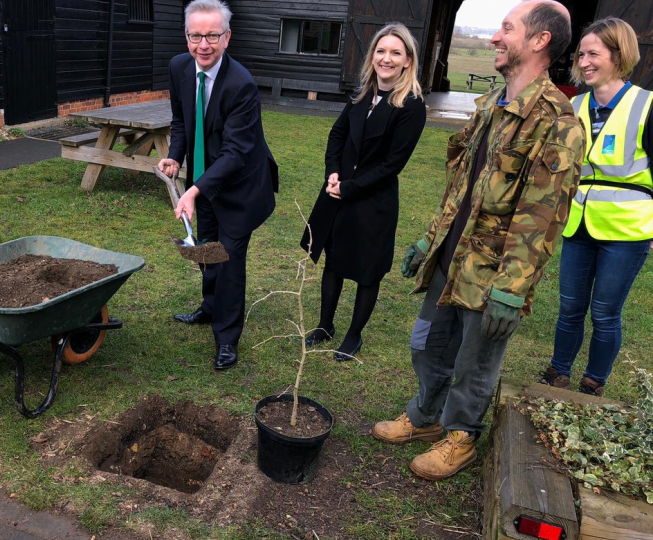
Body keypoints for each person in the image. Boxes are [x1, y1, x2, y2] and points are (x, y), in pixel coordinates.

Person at [371, 0, 585, 480]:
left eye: (506, 28)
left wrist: (512, 288)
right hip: (452, 256)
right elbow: (460, 187)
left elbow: (543, 216)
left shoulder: (557, 122)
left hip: (494, 273)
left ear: (539, 40)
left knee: (475, 359)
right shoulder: (493, 103)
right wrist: (430, 241)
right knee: (426, 342)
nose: (494, 38)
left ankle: (462, 434)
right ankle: (426, 415)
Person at [157, 0, 278, 371]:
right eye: (196, 35)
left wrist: (193, 191)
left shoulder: (241, 85)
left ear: (227, 37)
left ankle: (227, 339)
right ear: (186, 35)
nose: (203, 44)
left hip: (241, 188)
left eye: (212, 35)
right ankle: (210, 308)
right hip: (203, 180)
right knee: (205, 247)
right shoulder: (179, 67)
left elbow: (236, 153)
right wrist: (176, 156)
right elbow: (181, 120)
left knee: (228, 261)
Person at [539, 18, 652, 397]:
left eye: (593, 54)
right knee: (569, 307)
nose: (584, 62)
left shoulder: (647, 104)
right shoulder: (573, 105)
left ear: (619, 56)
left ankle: (593, 382)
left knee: (605, 313)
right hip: (578, 224)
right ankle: (558, 372)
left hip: (628, 231)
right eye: (581, 54)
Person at [300, 24, 426, 361]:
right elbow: (336, 137)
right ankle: (325, 325)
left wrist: (349, 187)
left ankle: (354, 335)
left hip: (373, 201)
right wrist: (333, 175)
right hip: (339, 192)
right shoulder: (361, 95)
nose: (386, 58)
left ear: (407, 60)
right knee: (334, 260)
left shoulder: (411, 106)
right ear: (372, 56)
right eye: (380, 51)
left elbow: (392, 164)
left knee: (368, 270)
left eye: (395, 52)